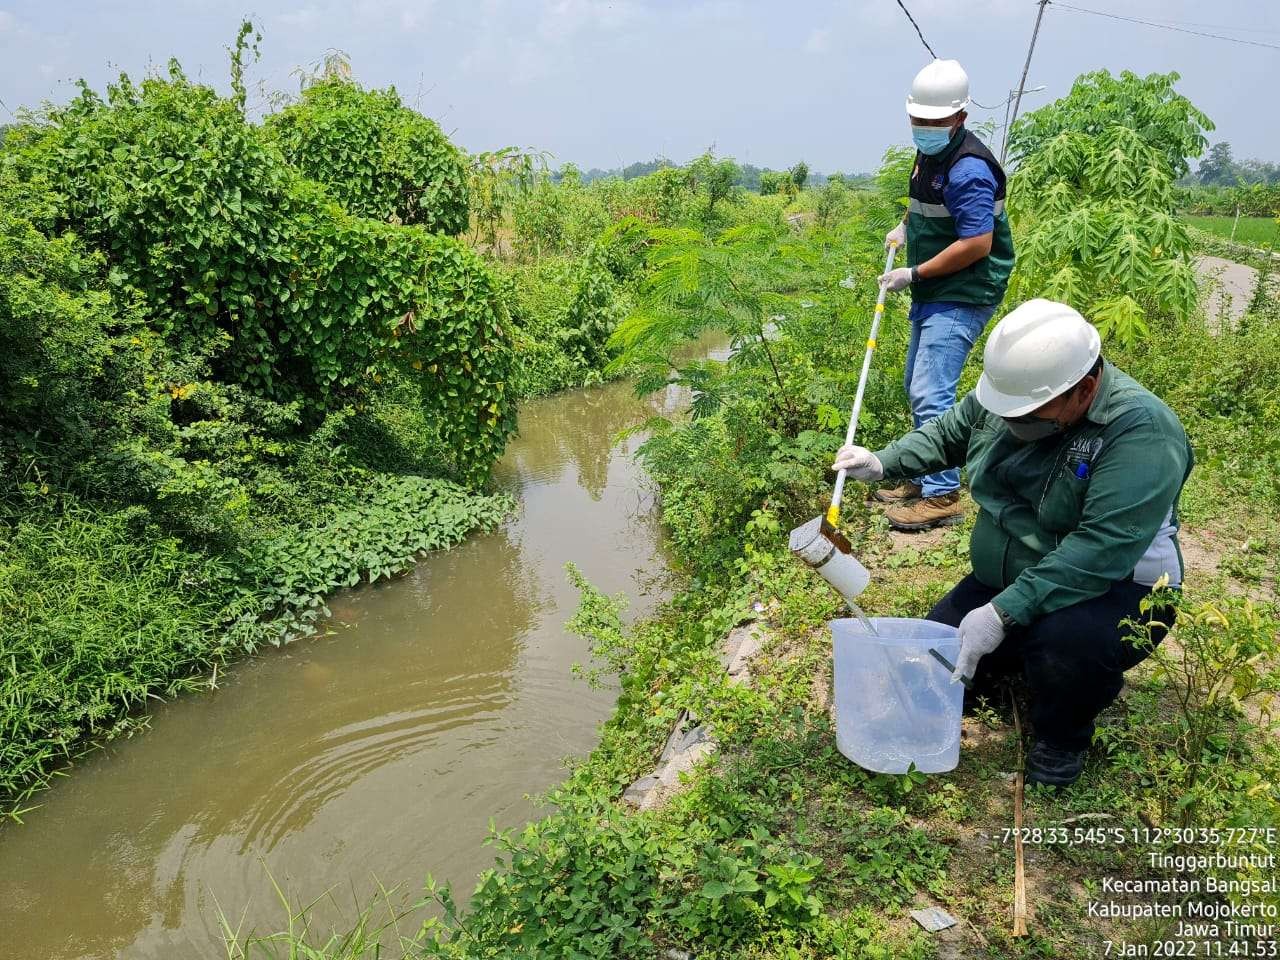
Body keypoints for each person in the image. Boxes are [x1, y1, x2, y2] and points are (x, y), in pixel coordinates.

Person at [831, 300, 1193, 786]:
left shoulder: (1142, 432)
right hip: (1017, 576)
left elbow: (1101, 549)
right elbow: (948, 434)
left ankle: (1062, 737)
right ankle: (1018, 664)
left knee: (1066, 646)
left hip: (1117, 590)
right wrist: (882, 462)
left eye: (1027, 417)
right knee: (937, 658)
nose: (1012, 424)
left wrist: (1003, 613)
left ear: (1084, 389)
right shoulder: (1014, 390)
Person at [874, 58, 1016, 532]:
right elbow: (928, 209)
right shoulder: (929, 154)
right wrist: (904, 226)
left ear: (959, 118)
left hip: (963, 291)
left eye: (934, 121)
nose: (924, 127)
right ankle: (923, 473)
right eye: (918, 119)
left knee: (931, 392)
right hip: (938, 289)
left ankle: (942, 496)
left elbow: (977, 243)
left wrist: (912, 273)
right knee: (916, 384)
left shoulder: (969, 170)